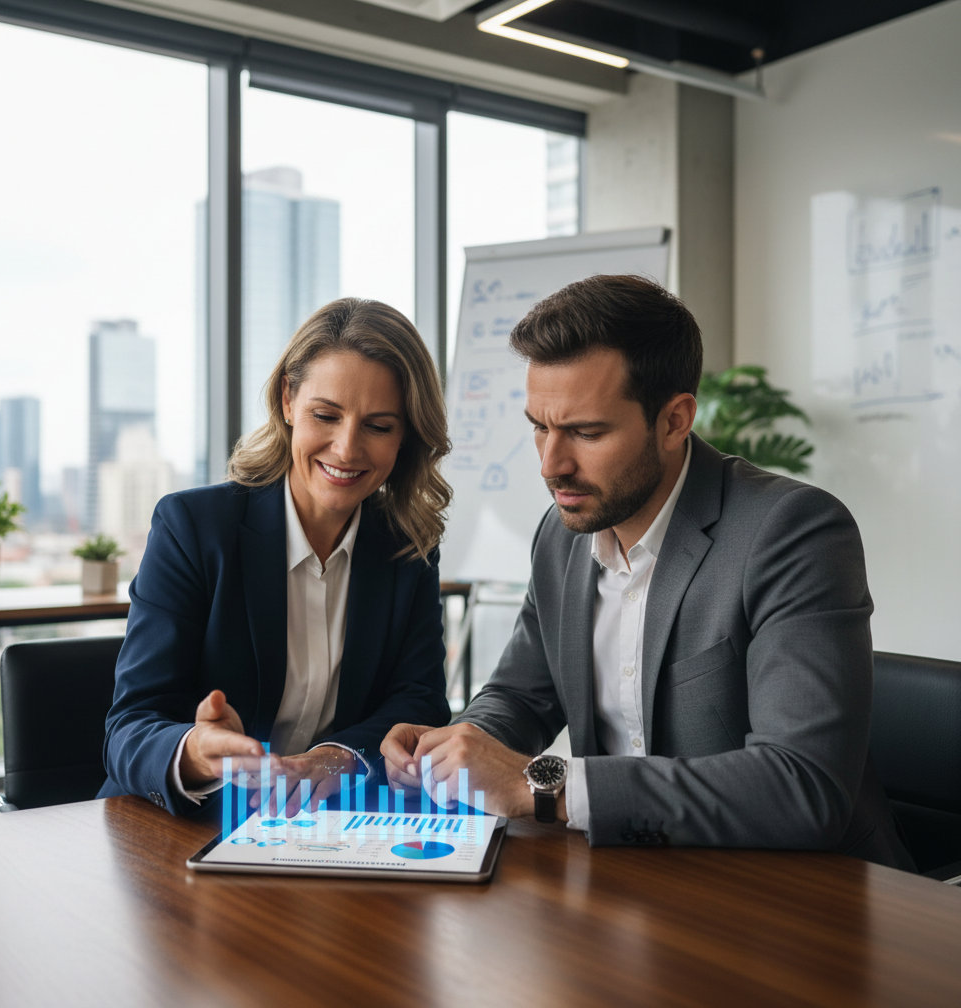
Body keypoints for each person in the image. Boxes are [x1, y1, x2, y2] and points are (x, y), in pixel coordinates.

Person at [382, 274, 914, 870]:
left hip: (798, 898)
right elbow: (520, 697)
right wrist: (455, 748)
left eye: (586, 432)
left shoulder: (791, 532)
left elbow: (803, 786)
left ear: (674, 421)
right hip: (633, 886)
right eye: (539, 426)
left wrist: (546, 788)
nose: (551, 464)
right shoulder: (562, 534)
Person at [100, 297, 452, 819]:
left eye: (379, 426)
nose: (347, 448)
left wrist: (334, 759)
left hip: (329, 830)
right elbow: (130, 725)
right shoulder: (193, 528)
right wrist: (196, 754)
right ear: (288, 401)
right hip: (179, 830)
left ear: (406, 435)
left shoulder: (408, 546)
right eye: (325, 415)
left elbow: (419, 702)